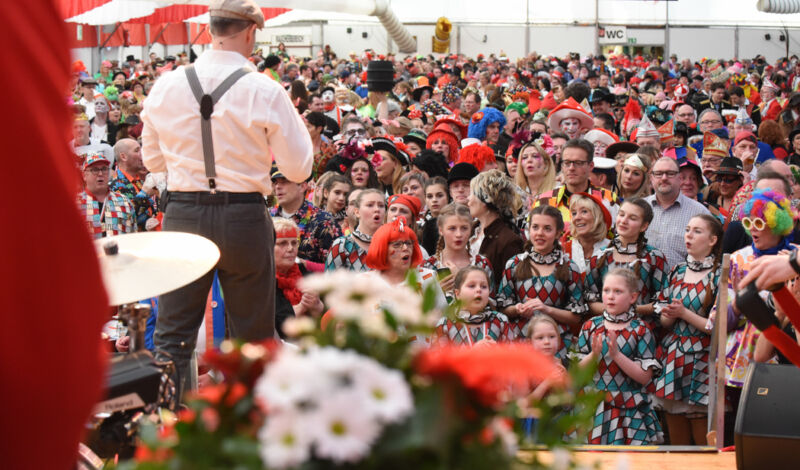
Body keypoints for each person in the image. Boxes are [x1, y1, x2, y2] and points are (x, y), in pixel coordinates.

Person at [140, 0, 313, 397]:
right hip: (243, 216)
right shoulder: (265, 89)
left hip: (183, 213)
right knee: (252, 333)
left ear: (211, 30)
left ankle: (171, 426)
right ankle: (247, 429)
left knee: (173, 333)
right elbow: (300, 168)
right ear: (251, 32)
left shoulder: (166, 85)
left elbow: (151, 159)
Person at [717, 189, 797, 434]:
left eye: (760, 222)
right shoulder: (739, 258)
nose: (753, 228)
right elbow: (724, 309)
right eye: (749, 222)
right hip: (750, 342)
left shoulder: (794, 255)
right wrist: (741, 305)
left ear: (777, 225)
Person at [651, 214, 723, 446]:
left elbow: (717, 327)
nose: (689, 235)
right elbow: (664, 322)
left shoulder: (720, 275)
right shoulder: (677, 271)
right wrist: (669, 316)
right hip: (674, 358)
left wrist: (683, 313)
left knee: (704, 444)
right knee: (677, 443)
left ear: (712, 240)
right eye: (687, 230)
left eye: (697, 231)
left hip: (703, 360)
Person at [576, 268, 663, 445]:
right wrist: (593, 355)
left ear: (632, 297)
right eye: (606, 290)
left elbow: (645, 377)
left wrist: (616, 355)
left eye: (618, 291)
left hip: (629, 407)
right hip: (595, 406)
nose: (610, 296)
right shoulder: (590, 326)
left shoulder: (641, 329)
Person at [497, 205, 588, 354]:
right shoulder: (514, 264)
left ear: (558, 233)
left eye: (547, 228)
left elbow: (576, 317)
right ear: (528, 230)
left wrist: (546, 309)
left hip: (557, 344)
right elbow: (502, 308)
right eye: (535, 227)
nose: (540, 233)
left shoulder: (569, 267)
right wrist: (518, 309)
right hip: (521, 341)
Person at [585, 198, 669, 317]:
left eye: (632, 218)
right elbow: (590, 300)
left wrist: (628, 309)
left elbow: (662, 301)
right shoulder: (600, 256)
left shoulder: (654, 257)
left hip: (641, 329)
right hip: (605, 328)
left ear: (644, 226)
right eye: (622, 214)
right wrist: (616, 309)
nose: (624, 221)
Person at [535, 138, 618, 231]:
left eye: (578, 163)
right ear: (562, 166)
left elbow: (617, 236)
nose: (571, 168)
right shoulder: (543, 201)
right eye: (567, 163)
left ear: (590, 166)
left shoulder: (608, 198)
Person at [645, 157, 711, 269]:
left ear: (679, 178)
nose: (664, 178)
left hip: (681, 283)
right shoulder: (639, 208)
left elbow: (708, 256)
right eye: (659, 174)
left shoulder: (700, 213)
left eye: (670, 173)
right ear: (651, 178)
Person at [269, 167, 342, 264]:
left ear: (303, 186)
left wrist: (303, 264)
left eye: (284, 181)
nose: (277, 187)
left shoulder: (324, 221)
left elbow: (335, 268)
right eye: (275, 182)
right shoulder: (266, 217)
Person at [423, 203, 493, 299]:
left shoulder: (481, 264)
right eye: (452, 228)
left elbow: (493, 304)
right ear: (441, 230)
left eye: (464, 228)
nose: (459, 234)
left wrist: (462, 278)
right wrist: (437, 292)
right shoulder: (428, 266)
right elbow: (419, 307)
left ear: (471, 229)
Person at [468, 169, 524, 286]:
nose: (468, 200)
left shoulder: (509, 241)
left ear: (485, 199)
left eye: (472, 193)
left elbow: (511, 287)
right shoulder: (469, 231)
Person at [433, 267, 513, 345]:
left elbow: (513, 355)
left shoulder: (500, 321)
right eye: (472, 286)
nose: (479, 289)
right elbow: (438, 357)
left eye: (484, 286)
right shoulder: (445, 324)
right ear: (457, 294)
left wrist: (498, 352)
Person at [273, 217, 324, 338]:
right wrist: (301, 307)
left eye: (294, 243)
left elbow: (328, 320)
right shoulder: (262, 281)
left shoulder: (307, 276)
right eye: (282, 243)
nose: (290, 248)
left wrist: (317, 306)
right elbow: (274, 324)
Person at [77, 153, 136, 239]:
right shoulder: (74, 205)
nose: (100, 173)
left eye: (104, 169)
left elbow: (133, 236)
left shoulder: (124, 201)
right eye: (95, 170)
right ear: (84, 175)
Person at [326, 188, 385, 271]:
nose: (377, 209)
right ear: (357, 212)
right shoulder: (342, 245)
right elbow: (329, 281)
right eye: (370, 205)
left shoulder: (392, 245)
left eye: (381, 205)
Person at [110, 138, 158, 231]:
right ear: (124, 157)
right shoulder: (114, 185)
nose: (142, 154)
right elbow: (124, 216)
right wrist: (144, 194)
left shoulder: (139, 181)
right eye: (137, 150)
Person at [565, 193, 612, 273]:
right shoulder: (564, 250)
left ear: (597, 216)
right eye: (574, 213)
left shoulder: (611, 249)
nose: (577, 217)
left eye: (584, 211)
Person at [515, 137, 557, 209]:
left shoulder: (557, 191)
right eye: (524, 157)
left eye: (535, 156)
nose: (529, 160)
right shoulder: (515, 194)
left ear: (546, 164)